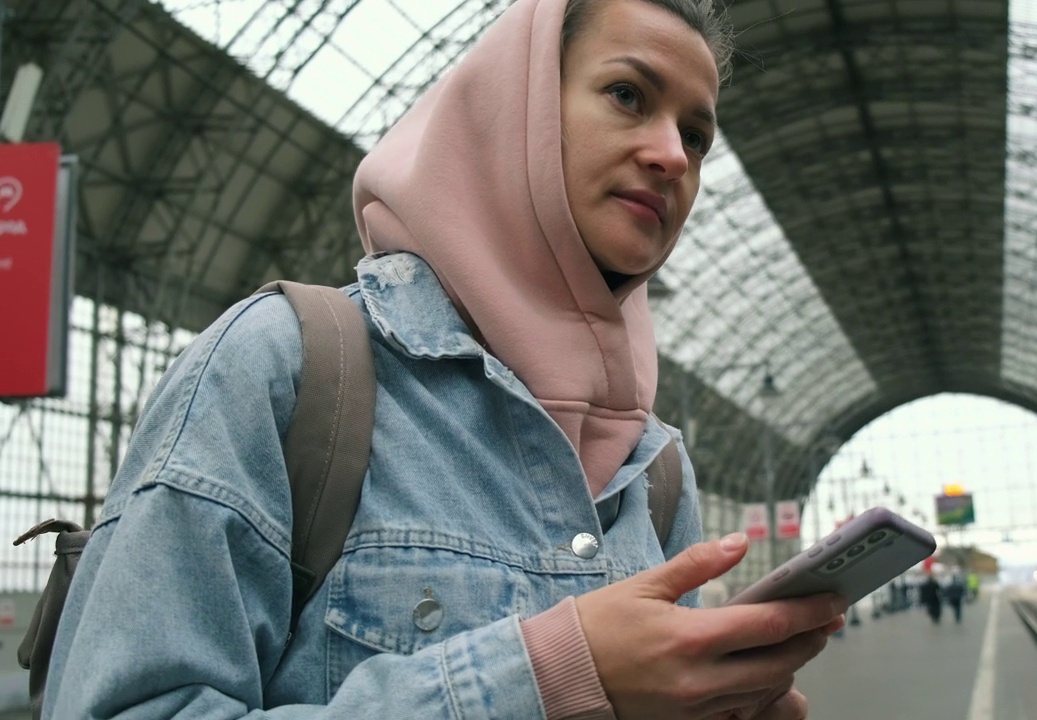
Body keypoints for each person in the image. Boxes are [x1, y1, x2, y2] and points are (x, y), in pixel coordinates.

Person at [40, 0, 850, 717]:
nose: (672, 154)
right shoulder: (287, 368)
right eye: (628, 95)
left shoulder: (657, 472)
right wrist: (548, 678)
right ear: (516, 109)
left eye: (696, 135)